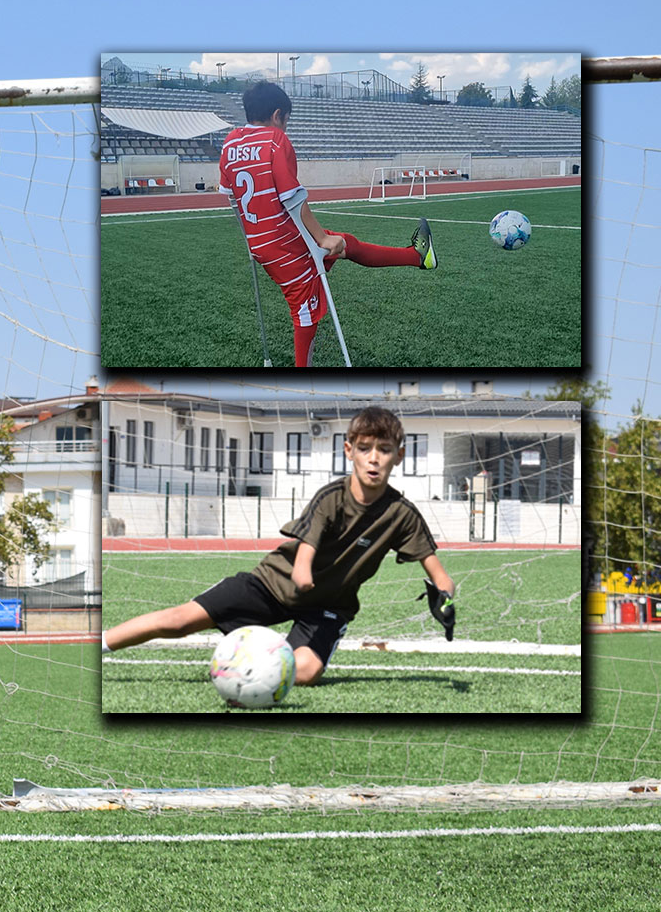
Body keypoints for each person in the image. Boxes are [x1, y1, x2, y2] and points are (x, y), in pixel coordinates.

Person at [101, 405, 456, 688]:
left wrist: (446, 598)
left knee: (304, 673)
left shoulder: (401, 513)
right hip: (272, 585)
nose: (374, 458)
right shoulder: (331, 497)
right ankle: (99, 645)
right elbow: (307, 547)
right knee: (180, 621)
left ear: (400, 455)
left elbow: (438, 573)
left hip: (328, 606)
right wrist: (302, 574)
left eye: (384, 449)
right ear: (349, 451)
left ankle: (255, 665)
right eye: (365, 449)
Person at [220, 81, 439, 368]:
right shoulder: (275, 139)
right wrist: (321, 238)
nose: (286, 127)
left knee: (346, 243)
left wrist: (251, 240)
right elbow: (292, 198)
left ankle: (418, 256)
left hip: (263, 243)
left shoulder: (231, 142)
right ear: (277, 116)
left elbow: (231, 199)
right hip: (286, 245)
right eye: (286, 120)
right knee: (304, 311)